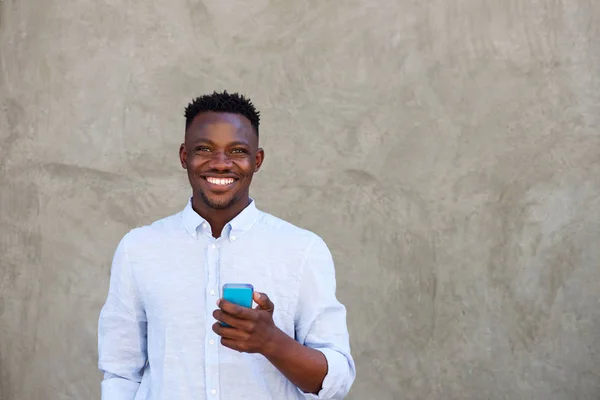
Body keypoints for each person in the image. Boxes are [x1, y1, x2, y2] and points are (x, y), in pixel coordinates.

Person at [97, 91, 356, 399]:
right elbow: (121, 373)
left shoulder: (303, 251)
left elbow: (336, 381)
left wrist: (271, 341)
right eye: (205, 149)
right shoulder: (138, 249)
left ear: (256, 161)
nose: (221, 164)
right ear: (184, 156)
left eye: (237, 151)